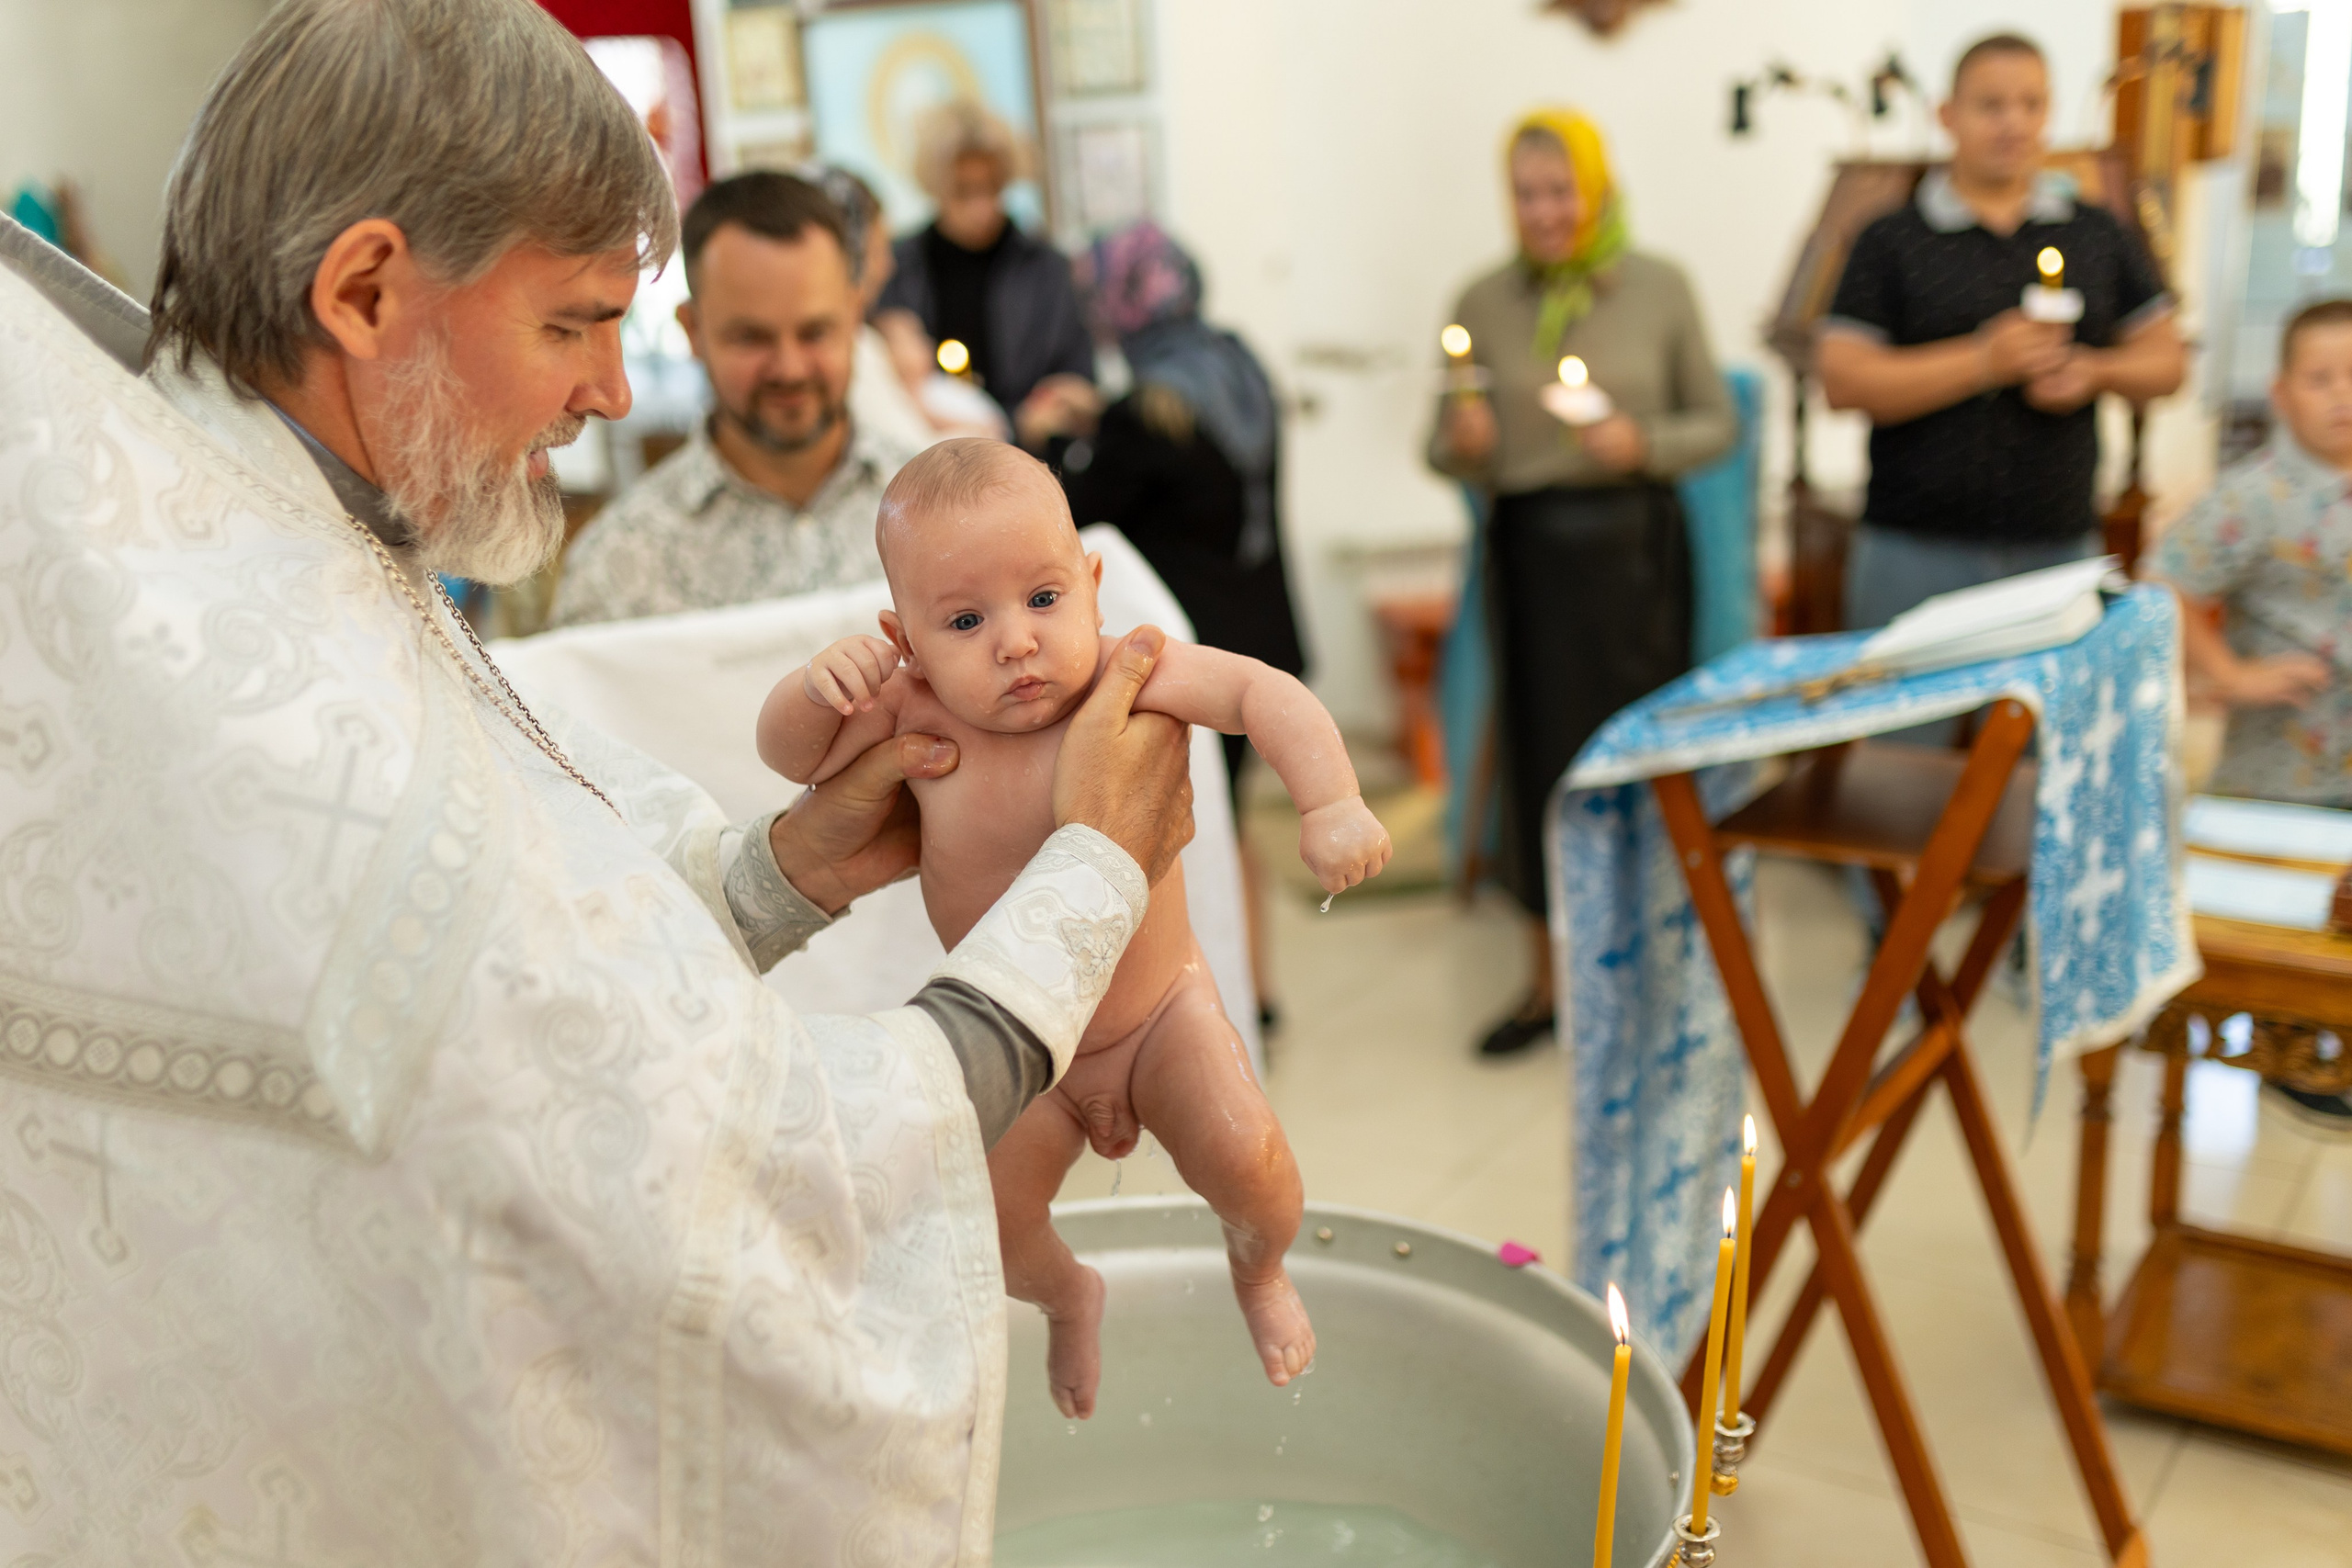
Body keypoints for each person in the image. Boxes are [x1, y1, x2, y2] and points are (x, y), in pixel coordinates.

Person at [0, 2, 1196, 1557]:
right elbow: (715, 1167)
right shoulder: (256, 695)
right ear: (365, 290)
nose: (614, 393)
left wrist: (787, 868)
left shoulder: (253, 527)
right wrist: (1093, 869)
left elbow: (539, 924)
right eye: (574, 324)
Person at [759, 438, 1392, 1419]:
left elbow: (1259, 691)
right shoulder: (913, 709)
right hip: (1020, 1043)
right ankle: (1066, 1295)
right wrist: (817, 689)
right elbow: (790, 758)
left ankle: (1260, 1268)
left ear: (1093, 585)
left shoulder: (1125, 674)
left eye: (1043, 598)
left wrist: (1331, 800)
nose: (1015, 642)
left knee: (1253, 1165)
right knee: (995, 1228)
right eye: (965, 620)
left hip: (1161, 1017)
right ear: (903, 639)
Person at [1429, 107, 1736, 1057]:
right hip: (1534, 559)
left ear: (1595, 188)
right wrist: (1464, 441)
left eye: (1560, 191)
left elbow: (1717, 423)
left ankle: (1654, 982)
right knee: (1542, 770)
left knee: (1643, 765)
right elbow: (1439, 444)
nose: (1544, 212)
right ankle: (1547, 984)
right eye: (1526, 194)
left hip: (1638, 555)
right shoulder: (1481, 300)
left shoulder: (1660, 287)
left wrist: (1644, 441)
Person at [1817, 32, 2187, 631]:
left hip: (2057, 546)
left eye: (2031, 104)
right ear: (1948, 115)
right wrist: (1985, 361)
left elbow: (2167, 362)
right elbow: (1842, 380)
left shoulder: (2097, 233)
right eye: (1991, 105)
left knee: (2053, 695)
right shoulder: (1891, 239)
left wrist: (2094, 371)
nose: (2013, 123)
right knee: (1903, 697)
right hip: (1912, 548)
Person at [1065, 220, 1307, 1023]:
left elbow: (1078, 510)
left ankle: (1218, 996)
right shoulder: (1237, 369)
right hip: (1264, 631)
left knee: (1196, 830)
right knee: (1232, 818)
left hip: (1194, 652)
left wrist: (1056, 437)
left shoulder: (1147, 412)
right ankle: (1259, 990)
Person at [2144, 298, 2352, 1126]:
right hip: (2283, 768)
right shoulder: (2254, 496)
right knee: (2292, 922)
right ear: (2281, 392)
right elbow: (2164, 580)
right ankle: (2291, 1052)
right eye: (2320, 378)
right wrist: (2230, 672)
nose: (2342, 395)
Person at [549, 170, 919, 626]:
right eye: (751, 338)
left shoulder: (945, 514)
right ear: (693, 330)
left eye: (814, 332)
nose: (789, 368)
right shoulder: (619, 569)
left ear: (854, 314)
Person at [874, 98, 1100, 452]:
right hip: (925, 454)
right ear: (936, 187)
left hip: (1028, 455)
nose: (982, 208)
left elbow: (1079, 375)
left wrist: (1052, 406)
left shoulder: (1045, 267)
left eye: (992, 188)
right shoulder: (897, 266)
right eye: (963, 191)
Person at [808, 161, 943, 453]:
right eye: (879, 250)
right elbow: (913, 459)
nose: (888, 267)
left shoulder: (865, 343)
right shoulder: (852, 350)